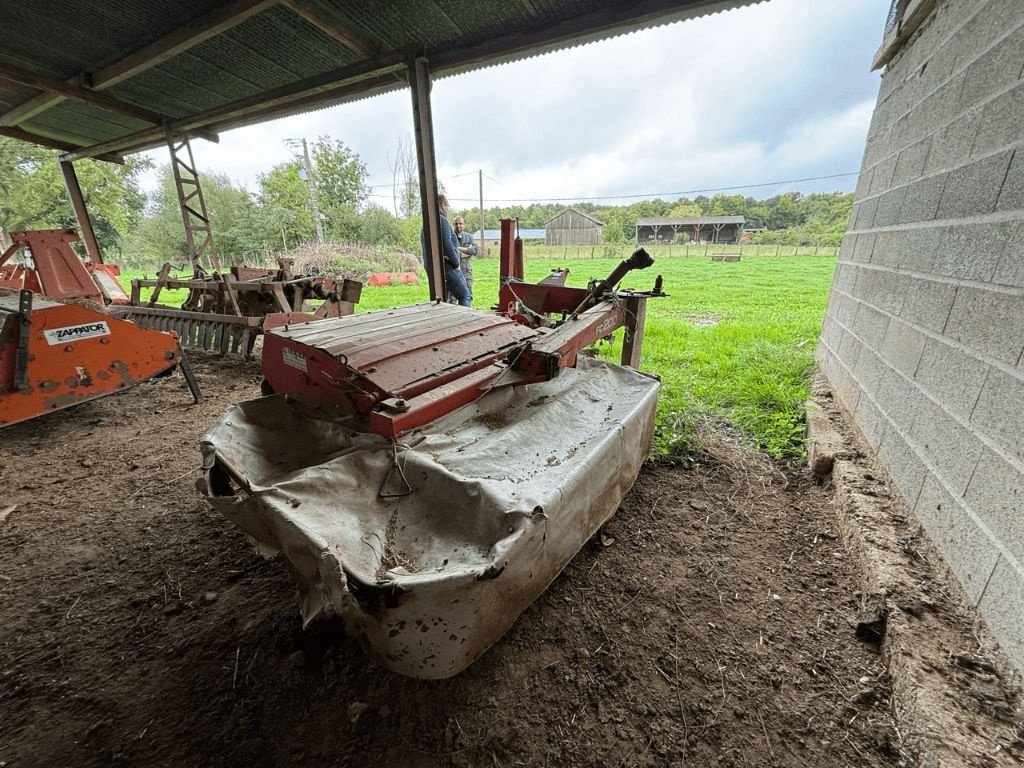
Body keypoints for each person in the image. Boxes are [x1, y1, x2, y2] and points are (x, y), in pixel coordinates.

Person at [420, 195, 471, 307]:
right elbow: (447, 245)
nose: (447, 208)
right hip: (447, 266)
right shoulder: (442, 220)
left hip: (434, 267)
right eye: (447, 205)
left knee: (443, 301)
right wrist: (456, 263)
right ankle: (465, 321)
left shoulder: (426, 223)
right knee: (465, 296)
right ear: (442, 205)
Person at [452, 216, 479, 293]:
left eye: (460, 223)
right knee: (452, 298)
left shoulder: (469, 236)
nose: (458, 225)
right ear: (453, 225)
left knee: (468, 295)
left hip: (467, 272)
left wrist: (458, 248)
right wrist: (467, 252)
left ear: (464, 225)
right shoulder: (450, 236)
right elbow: (449, 251)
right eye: (456, 224)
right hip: (454, 272)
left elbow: (475, 250)